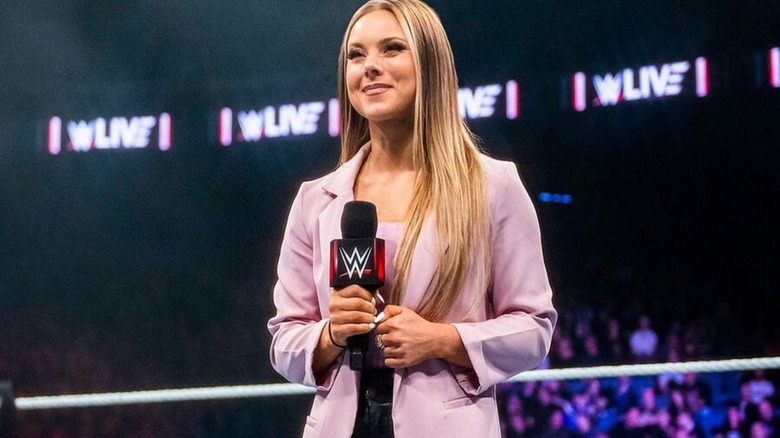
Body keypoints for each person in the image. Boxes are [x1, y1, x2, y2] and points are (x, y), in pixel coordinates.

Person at [266, 1, 557, 437]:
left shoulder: (493, 186)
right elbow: (284, 339)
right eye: (356, 55)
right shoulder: (315, 201)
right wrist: (331, 334)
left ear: (430, 64)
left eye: (392, 49)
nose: (370, 67)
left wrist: (443, 340)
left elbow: (534, 330)